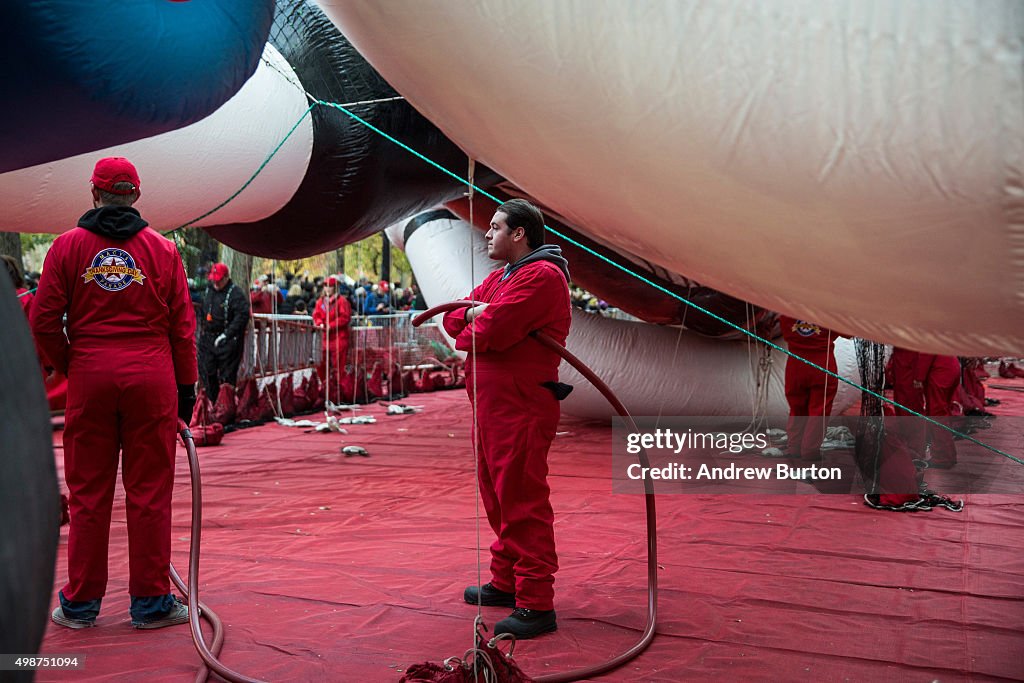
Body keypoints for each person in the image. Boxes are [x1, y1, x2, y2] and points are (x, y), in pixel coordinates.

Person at [30, 156, 197, 629]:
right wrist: (186, 393)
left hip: (91, 375)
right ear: (136, 196)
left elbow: (43, 320)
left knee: (88, 493)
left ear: (94, 194)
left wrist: (72, 365)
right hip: (151, 378)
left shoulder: (66, 248)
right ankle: (150, 603)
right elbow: (183, 329)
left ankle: (80, 605)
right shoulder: (164, 251)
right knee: (149, 492)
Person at [442, 198, 571, 639]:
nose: (487, 233)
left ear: (519, 233)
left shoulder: (542, 277)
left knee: (520, 498)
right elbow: (453, 319)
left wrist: (476, 318)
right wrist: (475, 315)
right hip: (495, 406)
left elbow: (489, 330)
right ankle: (507, 579)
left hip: (520, 406)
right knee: (497, 494)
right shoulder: (503, 277)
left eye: (495, 227)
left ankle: (536, 601)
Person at [777, 315, 841, 462]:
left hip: (795, 365)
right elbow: (849, 333)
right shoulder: (826, 311)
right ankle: (810, 451)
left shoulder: (785, 311)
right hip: (821, 364)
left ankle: (794, 447)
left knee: (797, 407)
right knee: (819, 410)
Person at [198, 262, 249, 398]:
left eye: (219, 280)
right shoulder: (209, 290)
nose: (216, 283)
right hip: (208, 337)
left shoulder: (236, 294)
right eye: (214, 280)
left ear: (226, 278)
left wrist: (227, 334)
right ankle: (211, 402)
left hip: (227, 340)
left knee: (227, 376)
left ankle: (226, 406)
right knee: (208, 372)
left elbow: (242, 316)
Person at [312, 276, 352, 403]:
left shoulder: (342, 301)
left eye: (329, 286)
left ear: (335, 288)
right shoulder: (320, 302)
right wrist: (319, 323)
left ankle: (340, 392)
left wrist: (331, 325)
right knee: (321, 363)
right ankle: (326, 388)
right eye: (325, 286)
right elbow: (316, 315)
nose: (327, 289)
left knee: (339, 366)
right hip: (325, 338)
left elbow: (345, 317)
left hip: (339, 338)